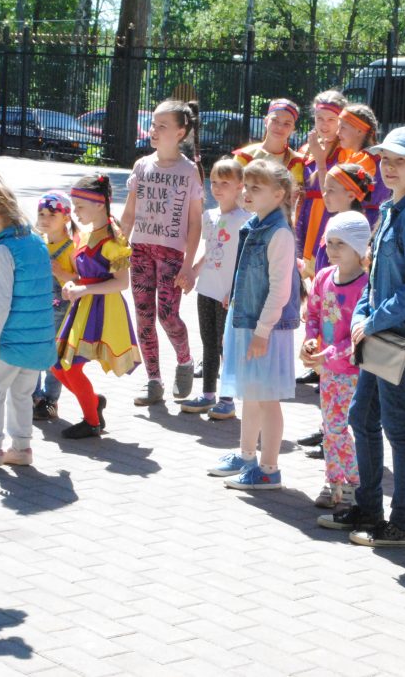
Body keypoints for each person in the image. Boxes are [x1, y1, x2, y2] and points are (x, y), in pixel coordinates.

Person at [317, 126, 405, 547]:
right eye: (385, 159)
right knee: (362, 417)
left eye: (399, 161)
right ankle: (369, 509)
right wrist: (364, 313)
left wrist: (373, 320)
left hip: (401, 341)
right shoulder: (391, 208)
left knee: (398, 428)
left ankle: (404, 522)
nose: (388, 167)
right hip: (380, 334)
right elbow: (375, 276)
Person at [206, 159, 301, 490]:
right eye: (246, 186)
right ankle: (247, 456)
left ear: (278, 194)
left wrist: (262, 332)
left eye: (255, 188)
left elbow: (279, 289)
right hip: (248, 321)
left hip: (266, 328)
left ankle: (269, 468)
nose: (246, 193)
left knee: (267, 398)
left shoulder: (279, 233)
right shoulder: (254, 225)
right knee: (250, 393)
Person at [0, 170, 56, 468]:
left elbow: (2, 301)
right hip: (38, 338)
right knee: (22, 394)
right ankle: (21, 448)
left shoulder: (4, 250)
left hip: (12, 338)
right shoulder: (36, 241)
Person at [120, 100, 205, 406]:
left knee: (167, 315)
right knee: (143, 316)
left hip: (171, 254)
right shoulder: (142, 165)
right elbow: (129, 214)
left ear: (180, 133)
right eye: (153, 125)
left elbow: (195, 223)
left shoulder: (189, 171)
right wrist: (118, 248)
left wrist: (188, 265)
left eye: (162, 126)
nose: (154, 131)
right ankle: (153, 380)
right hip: (140, 251)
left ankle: (185, 360)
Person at [55, 174, 141, 438]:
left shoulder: (115, 241)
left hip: (103, 311)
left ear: (99, 204)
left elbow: (122, 283)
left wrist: (84, 289)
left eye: (80, 206)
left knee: (70, 366)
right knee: (56, 364)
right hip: (82, 307)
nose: (75, 212)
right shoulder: (83, 235)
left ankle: (92, 421)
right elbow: (82, 275)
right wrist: (72, 283)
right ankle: (93, 402)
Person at [301, 211, 369, 509]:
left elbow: (358, 336)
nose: (332, 249)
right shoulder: (323, 277)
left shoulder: (365, 286)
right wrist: (310, 340)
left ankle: (353, 484)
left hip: (353, 371)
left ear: (358, 247)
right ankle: (333, 482)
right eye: (329, 242)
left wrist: (328, 353)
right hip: (327, 370)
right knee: (329, 428)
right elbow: (313, 314)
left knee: (342, 428)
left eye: (341, 243)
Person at [180, 158, 249, 420]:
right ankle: (208, 394)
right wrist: (193, 272)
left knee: (225, 346)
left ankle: (227, 399)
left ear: (240, 186)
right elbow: (210, 251)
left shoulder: (245, 220)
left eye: (225, 183)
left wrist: (234, 291)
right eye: (215, 182)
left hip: (226, 294)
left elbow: (244, 260)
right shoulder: (209, 216)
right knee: (208, 343)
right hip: (206, 290)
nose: (218, 188)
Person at [31, 190, 78, 421]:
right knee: (34, 351)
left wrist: (61, 273)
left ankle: (51, 400)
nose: (45, 219)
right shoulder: (38, 243)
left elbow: (80, 280)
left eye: (52, 215)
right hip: (37, 307)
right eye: (41, 214)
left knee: (53, 356)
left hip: (61, 310)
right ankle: (34, 397)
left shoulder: (71, 248)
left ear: (66, 218)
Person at [295, 90, 347, 279]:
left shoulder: (346, 151)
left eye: (331, 119)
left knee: (324, 272)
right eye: (320, 118)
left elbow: (335, 193)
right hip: (305, 215)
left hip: (328, 215)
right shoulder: (306, 148)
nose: (324, 125)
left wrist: (321, 160)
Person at [336, 103, 389, 227]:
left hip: (362, 221)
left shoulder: (364, 159)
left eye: (343, 127)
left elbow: (340, 195)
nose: (338, 133)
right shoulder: (377, 154)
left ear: (359, 130)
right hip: (376, 220)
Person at [232, 99, 305, 187]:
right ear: (266, 121)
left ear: (293, 128)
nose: (279, 127)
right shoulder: (244, 156)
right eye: (275, 120)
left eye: (287, 124)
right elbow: (233, 189)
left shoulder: (297, 161)